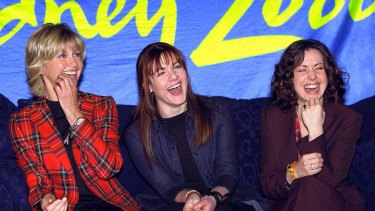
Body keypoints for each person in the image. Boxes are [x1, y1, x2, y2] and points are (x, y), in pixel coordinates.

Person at [8, 23, 139, 211]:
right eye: (62, 55)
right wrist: (45, 201)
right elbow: (36, 178)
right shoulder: (22, 121)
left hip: (110, 205)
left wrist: (74, 113)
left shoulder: (101, 105)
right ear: (41, 66)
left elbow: (109, 167)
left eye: (77, 54)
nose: (74, 63)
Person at [124, 42, 263, 211]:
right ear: (148, 87)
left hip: (224, 198)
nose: (173, 76)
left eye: (177, 67)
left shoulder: (217, 111)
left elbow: (227, 172)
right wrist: (191, 195)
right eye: (161, 72)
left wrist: (213, 198)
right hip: (174, 203)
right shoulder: (137, 134)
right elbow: (165, 187)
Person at [260, 39, 365, 210]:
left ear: (328, 75)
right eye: (302, 69)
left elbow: (329, 181)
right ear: (289, 77)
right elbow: (268, 184)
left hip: (334, 202)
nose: (312, 76)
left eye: (319, 68)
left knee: (309, 184)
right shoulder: (272, 117)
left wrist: (316, 131)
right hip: (290, 203)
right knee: (305, 184)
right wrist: (294, 172)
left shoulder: (348, 119)